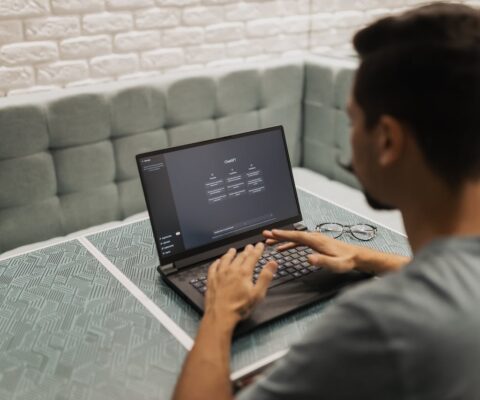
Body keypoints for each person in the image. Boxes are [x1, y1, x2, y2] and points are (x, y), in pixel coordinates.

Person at [173, 2, 480, 399]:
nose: (349, 135)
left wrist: (219, 314)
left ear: (387, 140)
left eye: (353, 120)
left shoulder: (377, 322)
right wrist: (363, 257)